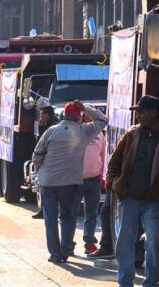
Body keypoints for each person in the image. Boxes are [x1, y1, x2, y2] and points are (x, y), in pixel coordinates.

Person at [105, 95, 159, 287]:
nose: (138, 115)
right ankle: (125, 282)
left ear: (154, 113)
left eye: (142, 111)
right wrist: (112, 183)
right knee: (125, 242)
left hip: (153, 200)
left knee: (153, 242)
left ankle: (151, 282)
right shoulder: (132, 134)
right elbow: (114, 162)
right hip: (128, 197)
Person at [32, 100, 108, 263]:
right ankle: (65, 250)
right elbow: (103, 120)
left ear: (64, 115)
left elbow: (37, 154)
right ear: (79, 116)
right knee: (67, 216)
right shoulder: (84, 131)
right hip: (69, 183)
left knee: (50, 219)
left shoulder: (51, 131)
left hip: (47, 182)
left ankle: (54, 253)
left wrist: (42, 171)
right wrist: (86, 108)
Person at [73, 113, 105, 254]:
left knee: (91, 213)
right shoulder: (74, 133)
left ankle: (90, 243)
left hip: (94, 179)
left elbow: (103, 156)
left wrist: (101, 176)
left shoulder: (100, 134)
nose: (86, 118)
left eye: (88, 116)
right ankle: (68, 244)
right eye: (83, 116)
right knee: (70, 213)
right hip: (75, 180)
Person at [32, 105, 57, 219]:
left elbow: (41, 144)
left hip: (48, 161)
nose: (40, 116)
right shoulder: (47, 125)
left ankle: (45, 211)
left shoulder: (51, 127)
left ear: (47, 115)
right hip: (50, 160)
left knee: (45, 186)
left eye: (42, 114)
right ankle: (44, 210)